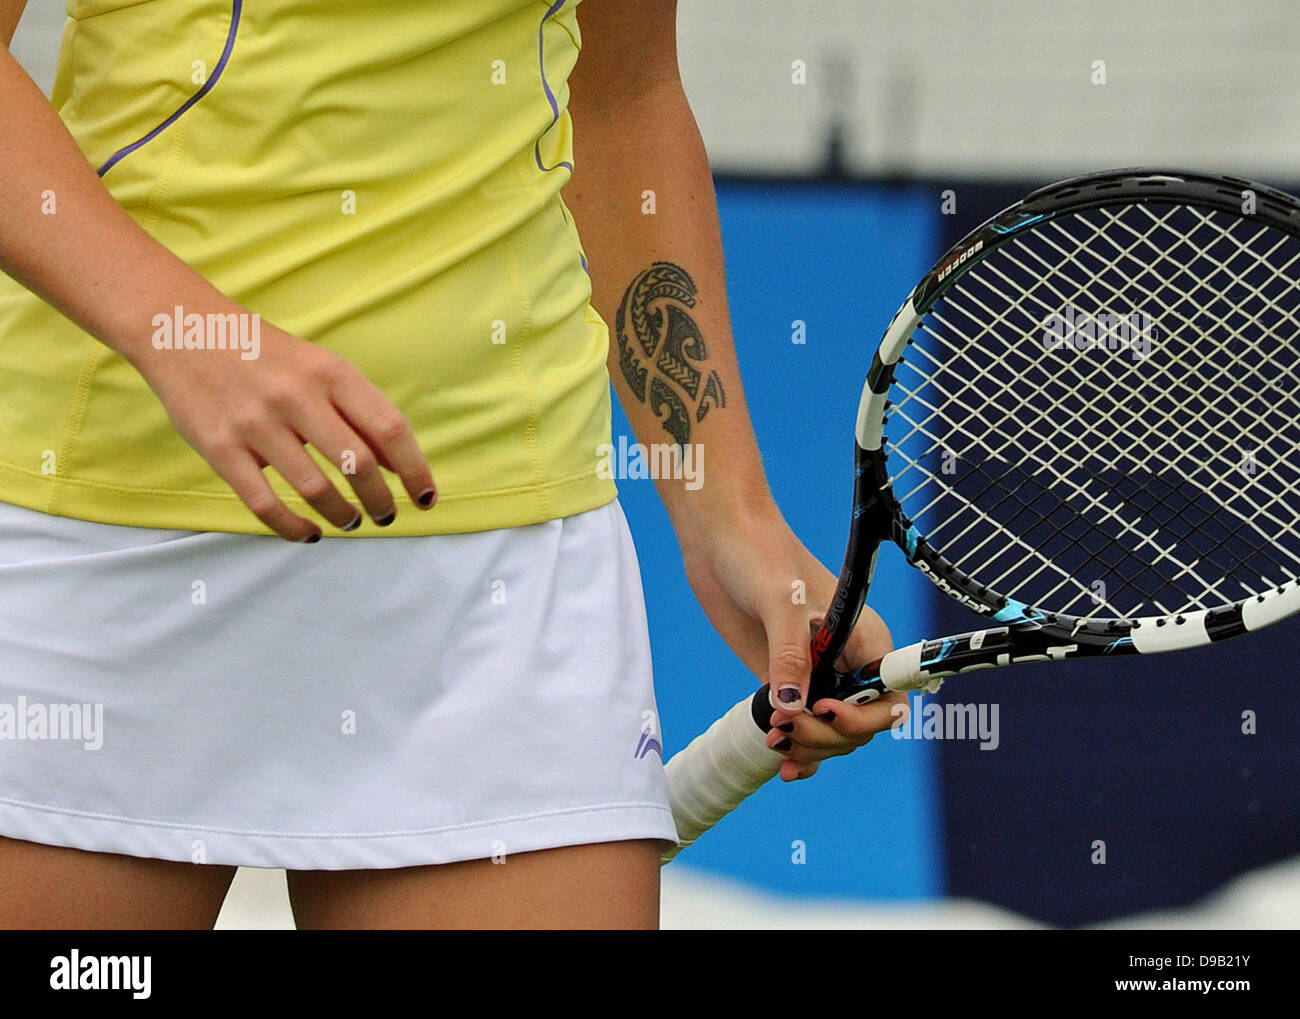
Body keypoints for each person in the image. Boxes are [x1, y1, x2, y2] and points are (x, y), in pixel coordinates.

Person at [0, 0, 900, 929]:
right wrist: (187, 334)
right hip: (102, 537)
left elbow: (621, 95)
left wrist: (732, 514)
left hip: (505, 562)